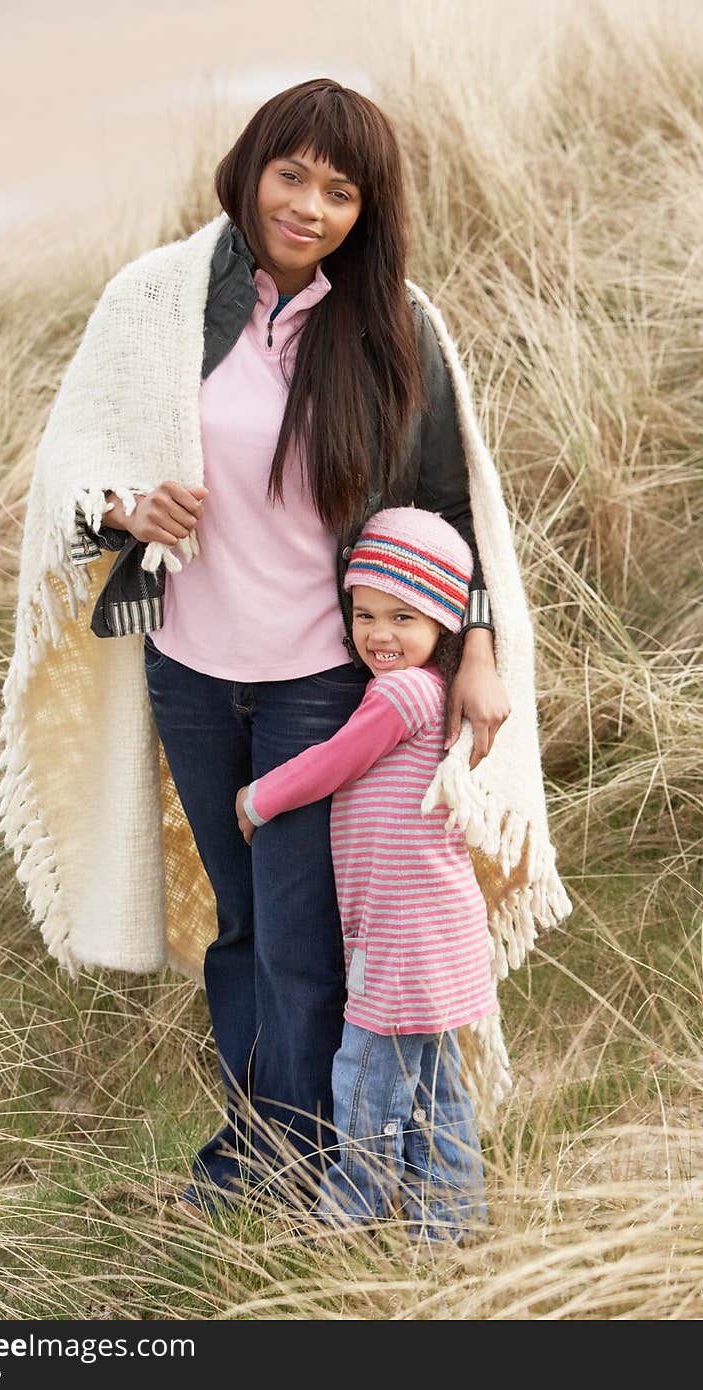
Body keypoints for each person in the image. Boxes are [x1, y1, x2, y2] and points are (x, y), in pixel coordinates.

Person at [0, 79, 571, 1221]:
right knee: (242, 924)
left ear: (368, 208)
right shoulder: (157, 300)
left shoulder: (395, 326)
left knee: (305, 934)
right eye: (292, 174)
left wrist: (478, 647)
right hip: (191, 671)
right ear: (252, 168)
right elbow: (75, 466)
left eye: (341, 189)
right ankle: (282, 1148)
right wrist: (123, 509)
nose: (309, 206)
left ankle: (313, 1168)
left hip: (325, 681)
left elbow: (449, 507)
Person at [234, 509, 493, 1239]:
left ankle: (347, 1224)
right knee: (434, 1088)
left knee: (365, 1084)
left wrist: (261, 796)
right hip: (427, 927)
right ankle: (450, 1226)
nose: (380, 633)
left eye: (403, 616)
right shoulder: (428, 690)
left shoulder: (405, 693)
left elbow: (334, 762)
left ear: (443, 620)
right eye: (364, 612)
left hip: (405, 933)